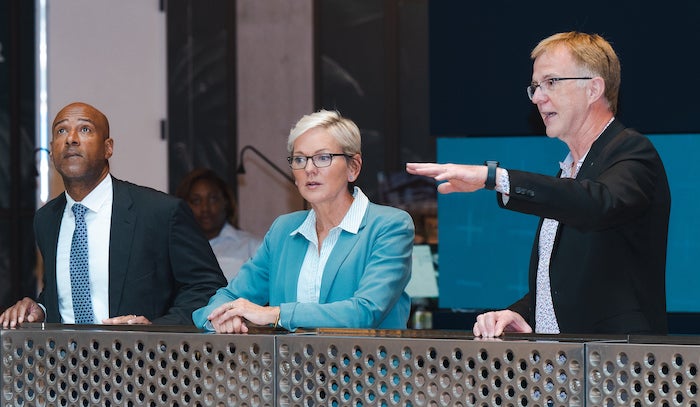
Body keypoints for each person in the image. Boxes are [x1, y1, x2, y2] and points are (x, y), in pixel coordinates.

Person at [407, 31, 670, 336]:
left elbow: (598, 204)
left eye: (551, 82)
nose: (538, 97)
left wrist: (493, 177)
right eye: (535, 87)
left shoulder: (632, 152)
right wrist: (515, 313)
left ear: (593, 88)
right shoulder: (570, 171)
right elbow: (560, 288)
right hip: (561, 369)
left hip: (616, 365)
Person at [0, 102, 227, 328]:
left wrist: (156, 329)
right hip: (65, 361)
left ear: (108, 148)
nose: (71, 138)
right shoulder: (46, 219)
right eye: (61, 131)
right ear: (52, 151)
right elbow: (64, 295)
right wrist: (42, 309)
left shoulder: (159, 212)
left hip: (142, 360)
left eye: (85, 129)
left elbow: (206, 287)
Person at [192, 110, 415, 333]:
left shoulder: (389, 226)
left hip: (366, 367)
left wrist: (275, 314)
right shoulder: (283, 230)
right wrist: (219, 317)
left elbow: (364, 312)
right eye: (299, 159)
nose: (309, 169)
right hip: (291, 367)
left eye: (322, 158)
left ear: (353, 167)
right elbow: (229, 296)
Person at [176, 168, 262, 281]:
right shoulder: (175, 250)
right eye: (196, 201)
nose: (205, 208)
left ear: (226, 201)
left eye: (213, 199)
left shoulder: (252, 247)